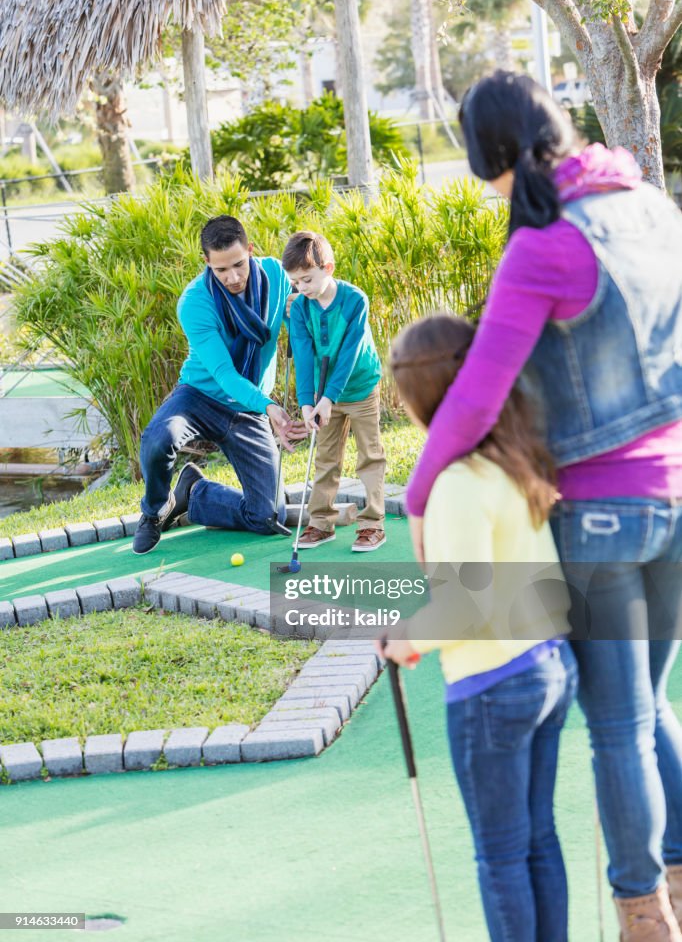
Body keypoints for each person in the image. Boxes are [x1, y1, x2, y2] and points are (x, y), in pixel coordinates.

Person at [405, 71, 682, 939]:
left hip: (601, 516)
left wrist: (420, 491)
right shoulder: (650, 208)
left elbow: (480, 393)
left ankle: (644, 911)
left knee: (619, 727)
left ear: (490, 155)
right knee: (649, 707)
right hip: (676, 493)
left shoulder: (544, 244)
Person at [381, 312, 577, 942]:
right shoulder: (514, 461)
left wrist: (406, 638)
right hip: (548, 667)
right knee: (537, 837)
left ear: (419, 400)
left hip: (493, 685)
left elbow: (465, 606)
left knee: (499, 852)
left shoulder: (459, 483)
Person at [132, 215, 306, 556]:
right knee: (158, 439)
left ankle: (194, 492)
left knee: (268, 516)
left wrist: (299, 310)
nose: (233, 277)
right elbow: (224, 375)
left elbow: (301, 324)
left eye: (239, 265)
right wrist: (270, 407)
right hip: (200, 396)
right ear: (207, 263)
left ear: (251, 250)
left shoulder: (277, 276)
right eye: (221, 270)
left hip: (247, 407)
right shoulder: (195, 302)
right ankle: (155, 511)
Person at [282, 230, 386, 552]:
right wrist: (307, 403)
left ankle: (372, 525)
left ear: (328, 268)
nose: (302, 289)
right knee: (326, 458)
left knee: (370, 455)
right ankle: (321, 523)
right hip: (323, 394)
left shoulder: (355, 300)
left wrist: (328, 398)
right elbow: (302, 354)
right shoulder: (300, 308)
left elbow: (348, 355)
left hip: (359, 387)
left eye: (307, 280)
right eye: (296, 283)